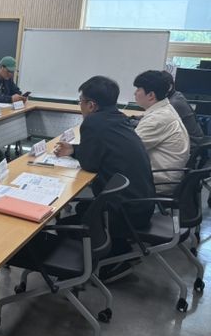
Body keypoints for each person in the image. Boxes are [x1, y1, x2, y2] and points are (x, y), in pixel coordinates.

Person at [54, 76, 155, 279]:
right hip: (142, 204)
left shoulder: (93, 122)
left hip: (125, 214)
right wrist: (73, 149)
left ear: (91, 105)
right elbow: (104, 151)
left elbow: (90, 164)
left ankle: (111, 258)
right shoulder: (118, 118)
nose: (80, 106)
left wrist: (78, 153)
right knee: (82, 209)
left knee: (63, 226)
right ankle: (119, 251)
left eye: (81, 101)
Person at [132, 70, 190, 192]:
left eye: (138, 89)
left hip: (159, 181)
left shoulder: (158, 118)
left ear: (151, 95)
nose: (135, 93)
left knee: (107, 171)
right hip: (166, 174)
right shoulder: (165, 108)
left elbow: (129, 149)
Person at [161, 70, 204, 153]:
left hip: (191, 142)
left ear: (169, 87)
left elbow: (158, 123)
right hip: (186, 138)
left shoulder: (174, 103)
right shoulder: (176, 95)